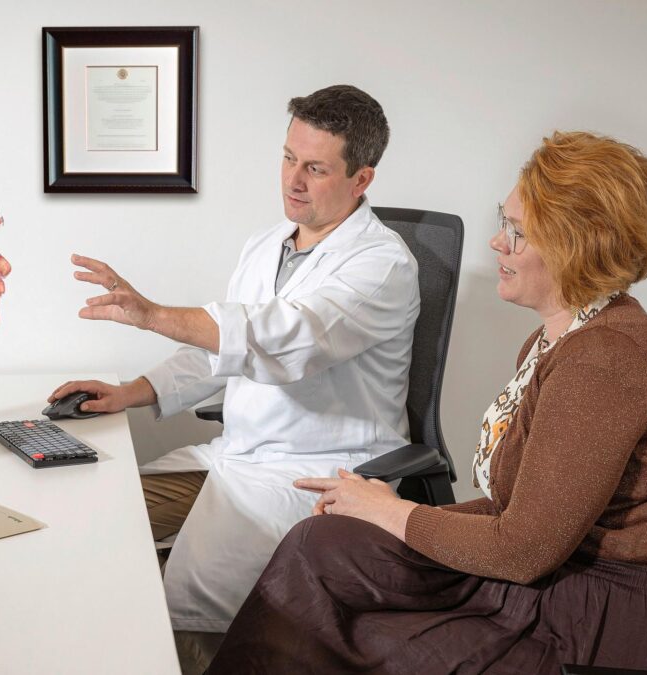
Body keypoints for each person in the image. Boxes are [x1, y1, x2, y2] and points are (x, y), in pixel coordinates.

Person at [207, 131, 647, 674]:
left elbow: (523, 550)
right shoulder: (555, 341)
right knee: (321, 544)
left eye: (518, 233)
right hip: (563, 577)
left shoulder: (603, 360)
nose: (497, 243)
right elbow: (520, 516)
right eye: (504, 221)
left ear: (577, 247)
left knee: (363, 634)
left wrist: (391, 511)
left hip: (616, 618)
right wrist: (378, 512)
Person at [47, 86, 421, 641]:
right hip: (236, 456)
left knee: (185, 611)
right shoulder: (267, 244)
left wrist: (152, 315)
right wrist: (133, 392)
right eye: (289, 158)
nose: (293, 180)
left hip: (315, 475)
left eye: (315, 168)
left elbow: (286, 341)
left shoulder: (382, 265)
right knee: (99, 519)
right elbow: (219, 351)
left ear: (361, 178)